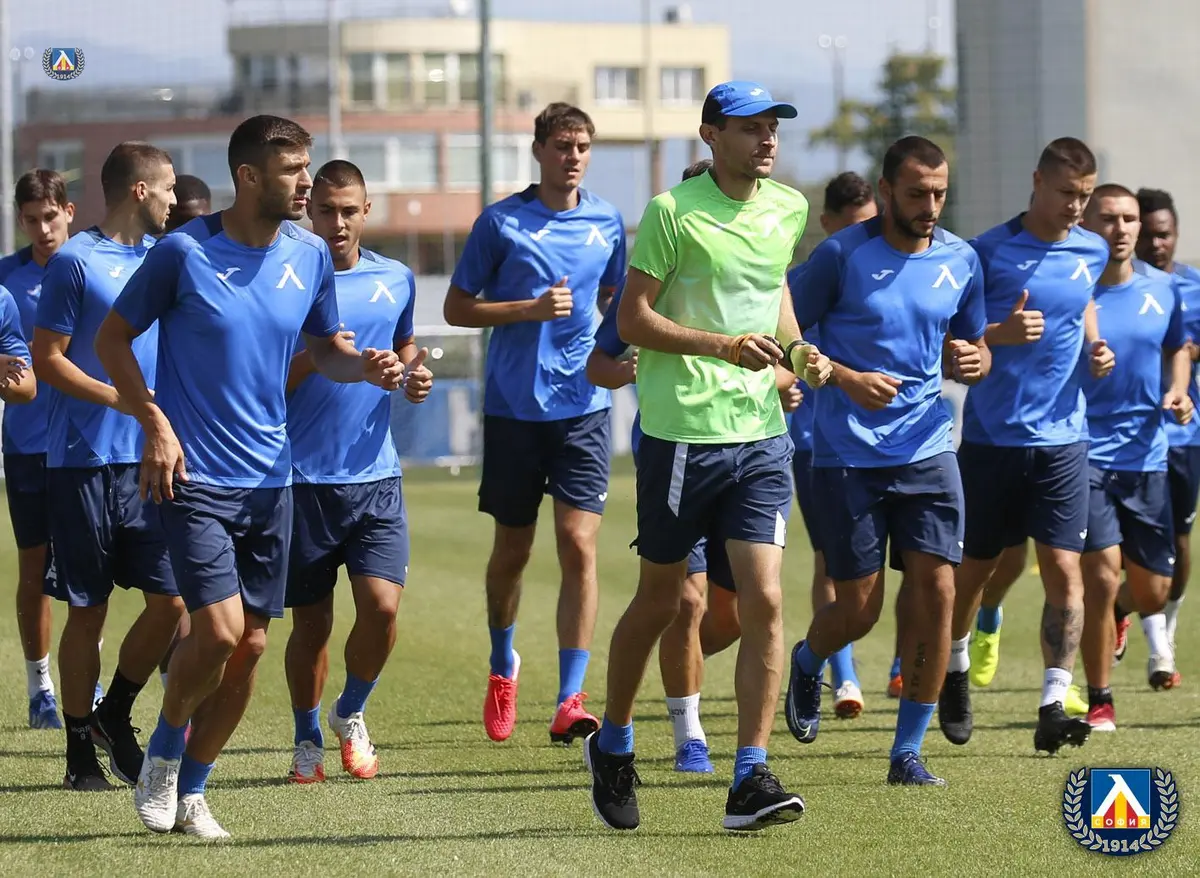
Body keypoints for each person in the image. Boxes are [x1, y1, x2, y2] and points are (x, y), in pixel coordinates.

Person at [95, 115, 402, 839]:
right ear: (248, 176)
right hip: (195, 477)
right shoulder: (183, 252)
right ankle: (163, 752)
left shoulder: (310, 254)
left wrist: (366, 365)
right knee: (220, 631)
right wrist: (153, 422)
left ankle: (194, 792)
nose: (306, 183)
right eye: (293, 170)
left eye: (307, 167)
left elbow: (325, 349)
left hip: (273, 480)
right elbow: (112, 339)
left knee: (252, 647)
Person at [583, 80, 830, 833]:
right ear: (711, 135)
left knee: (765, 601)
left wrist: (799, 351)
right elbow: (632, 319)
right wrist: (721, 347)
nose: (767, 139)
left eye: (773, 127)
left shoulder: (789, 208)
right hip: (683, 436)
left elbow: (774, 295)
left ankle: (750, 776)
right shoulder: (671, 212)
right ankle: (614, 742)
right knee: (663, 602)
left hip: (761, 435)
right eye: (750, 127)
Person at [784, 137, 989, 786]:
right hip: (847, 455)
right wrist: (846, 378)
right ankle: (809, 660)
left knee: (938, 592)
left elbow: (973, 344)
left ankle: (907, 752)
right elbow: (785, 336)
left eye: (939, 193)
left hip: (928, 449)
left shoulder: (961, 259)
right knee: (861, 610)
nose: (930, 205)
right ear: (886, 191)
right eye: (916, 193)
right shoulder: (840, 256)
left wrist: (974, 359)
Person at [443, 102, 626, 745]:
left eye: (582, 147)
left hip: (584, 410)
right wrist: (529, 308)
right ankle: (503, 664)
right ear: (539, 150)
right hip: (514, 410)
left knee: (578, 544)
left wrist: (619, 354)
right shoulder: (501, 223)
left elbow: (619, 299)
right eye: (562, 146)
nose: (573, 157)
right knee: (513, 553)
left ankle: (571, 697)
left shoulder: (608, 221)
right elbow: (457, 307)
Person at [941, 137, 1114, 755]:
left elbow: (1083, 300)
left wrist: (1095, 346)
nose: (1076, 206)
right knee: (976, 573)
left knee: (1065, 570)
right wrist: (1000, 333)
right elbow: (954, 338)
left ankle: (1052, 703)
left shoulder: (1092, 249)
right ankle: (956, 667)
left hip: (1066, 440)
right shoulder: (986, 252)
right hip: (993, 440)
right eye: (1066, 193)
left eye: (1085, 196)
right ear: (1037, 181)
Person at [584, 156, 753, 775]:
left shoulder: (747, 284)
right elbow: (598, 364)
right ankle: (690, 734)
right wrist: (628, 369)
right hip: (674, 449)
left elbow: (785, 350)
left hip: (746, 449)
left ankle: (670, 673)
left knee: (735, 614)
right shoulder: (651, 290)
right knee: (686, 598)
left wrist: (789, 378)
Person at [31, 142, 186, 792]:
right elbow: (48, 358)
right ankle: (78, 751)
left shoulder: (167, 258)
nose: (175, 200)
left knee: (173, 604)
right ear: (140, 190)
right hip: (82, 464)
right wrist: (121, 399)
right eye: (168, 188)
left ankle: (112, 712)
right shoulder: (76, 261)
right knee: (87, 611)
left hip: (151, 461)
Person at [283, 159, 433, 784]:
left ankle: (350, 711)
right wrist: (321, 357)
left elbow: (404, 345)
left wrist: (413, 373)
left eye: (349, 211)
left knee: (382, 609)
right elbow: (265, 379)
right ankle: (306, 736)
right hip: (301, 480)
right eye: (326, 210)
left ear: (366, 211)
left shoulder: (395, 278)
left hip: (376, 477)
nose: (338, 222)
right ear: (308, 212)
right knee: (312, 624)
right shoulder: (288, 279)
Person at [1075, 184, 1191, 730]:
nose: (1119, 229)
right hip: (1084, 452)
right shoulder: (1070, 289)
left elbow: (1178, 347)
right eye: (1108, 218)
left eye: (1128, 219)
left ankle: (1126, 612)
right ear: (1086, 224)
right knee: (1100, 577)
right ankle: (1100, 698)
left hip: (1147, 455)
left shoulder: (1164, 290)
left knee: (1155, 591)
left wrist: (1179, 392)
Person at [786, 171, 879, 718]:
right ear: (827, 225)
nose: (864, 238)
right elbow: (776, 353)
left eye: (871, 225)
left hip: (893, 446)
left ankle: (905, 663)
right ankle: (842, 674)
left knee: (916, 564)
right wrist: (784, 386)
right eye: (852, 227)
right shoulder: (801, 284)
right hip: (818, 446)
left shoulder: (891, 278)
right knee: (831, 560)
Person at [0, 169, 74, 728]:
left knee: (91, 573)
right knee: (34, 568)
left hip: (89, 444)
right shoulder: (5, 280)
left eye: (50, 217)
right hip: (28, 446)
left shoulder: (92, 266)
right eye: (32, 220)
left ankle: (86, 679)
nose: (43, 229)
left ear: (68, 212)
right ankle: (40, 687)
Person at [1128, 186, 1199, 685]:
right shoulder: (1115, 287)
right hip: (1125, 436)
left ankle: (1165, 632)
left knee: (1180, 540)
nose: (1157, 243)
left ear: (1175, 235)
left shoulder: (1192, 287)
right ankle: (1122, 617)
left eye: (1164, 234)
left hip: (1183, 436)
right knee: (1117, 549)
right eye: (1149, 235)